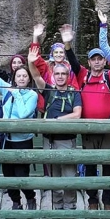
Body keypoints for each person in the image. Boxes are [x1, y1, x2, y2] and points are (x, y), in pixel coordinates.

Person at [0, 47, 43, 211]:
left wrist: (16, 94)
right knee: (9, 175)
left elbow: (24, 114)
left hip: (23, 141)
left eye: (24, 76)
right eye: (19, 76)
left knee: (22, 175)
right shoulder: (8, 90)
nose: (22, 78)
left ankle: (30, 198)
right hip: (6, 140)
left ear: (28, 79)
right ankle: (16, 202)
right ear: (14, 78)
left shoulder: (32, 95)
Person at [77, 43, 110, 210]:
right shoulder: (83, 76)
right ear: (89, 62)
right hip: (88, 130)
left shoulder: (109, 77)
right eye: (93, 59)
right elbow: (73, 63)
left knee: (108, 165)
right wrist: (68, 46)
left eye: (99, 59)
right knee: (90, 165)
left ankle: (108, 199)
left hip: (108, 130)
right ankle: (92, 200)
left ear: (105, 61)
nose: (96, 62)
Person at [39, 56, 83, 211]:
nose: (60, 76)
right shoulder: (48, 91)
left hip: (66, 140)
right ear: (53, 76)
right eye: (57, 73)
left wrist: (57, 120)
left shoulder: (74, 93)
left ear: (68, 76)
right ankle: (57, 207)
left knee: (69, 175)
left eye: (63, 74)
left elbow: (77, 114)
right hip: (49, 140)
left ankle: (70, 207)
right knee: (53, 176)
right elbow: (36, 75)